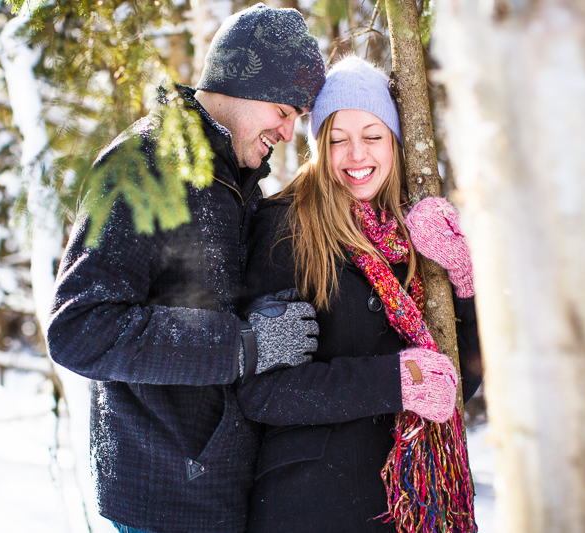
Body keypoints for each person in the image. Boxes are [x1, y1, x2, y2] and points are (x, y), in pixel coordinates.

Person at [45, 5, 325, 533]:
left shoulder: (235, 184)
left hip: (223, 490)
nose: (288, 132)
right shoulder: (145, 164)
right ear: (246, 81)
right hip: (164, 499)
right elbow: (79, 329)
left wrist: (258, 320)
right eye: (285, 110)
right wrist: (244, 344)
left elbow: (201, 301)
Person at [237, 56, 483, 532]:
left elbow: (458, 382)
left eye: (372, 136)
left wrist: (464, 281)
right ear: (317, 146)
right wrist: (394, 380)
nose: (356, 155)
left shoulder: (412, 234)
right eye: (337, 140)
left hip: (414, 505)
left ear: (394, 142)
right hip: (314, 505)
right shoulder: (284, 227)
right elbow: (263, 393)